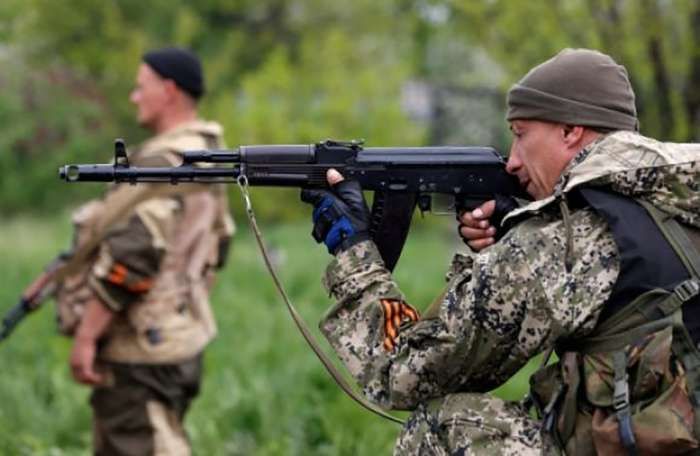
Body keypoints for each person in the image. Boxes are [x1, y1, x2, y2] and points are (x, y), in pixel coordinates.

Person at [301, 48, 700, 454]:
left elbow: (403, 374)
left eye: (521, 133)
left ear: (570, 131)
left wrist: (356, 254)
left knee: (447, 425)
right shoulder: (680, 204)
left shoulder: (561, 243)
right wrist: (515, 230)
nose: (511, 161)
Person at [60, 47, 234, 455]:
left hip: (140, 343)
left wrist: (86, 337)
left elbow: (134, 255)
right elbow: (219, 243)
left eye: (141, 88)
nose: (134, 97)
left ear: (169, 90)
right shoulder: (206, 153)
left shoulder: (165, 162)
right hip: (178, 333)